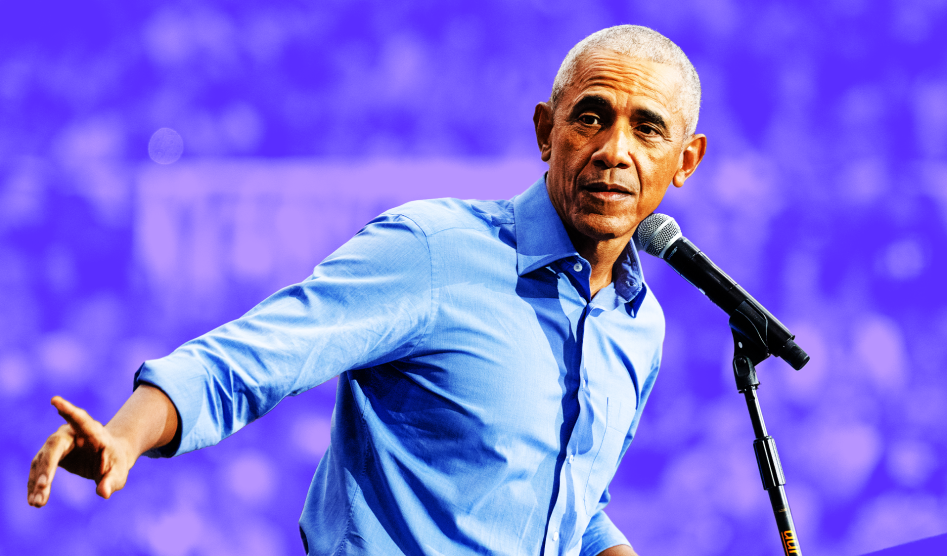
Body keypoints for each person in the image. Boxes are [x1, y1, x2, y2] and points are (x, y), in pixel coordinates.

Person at [27, 24, 706, 556]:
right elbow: (248, 358)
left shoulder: (637, 324)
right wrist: (125, 435)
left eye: (646, 128)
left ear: (684, 162)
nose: (614, 149)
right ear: (543, 131)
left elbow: (572, 507)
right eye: (590, 117)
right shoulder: (436, 250)